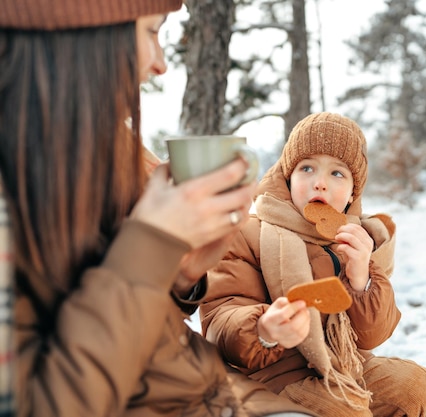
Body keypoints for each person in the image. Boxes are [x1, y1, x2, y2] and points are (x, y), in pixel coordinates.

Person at [0, 1, 314, 416]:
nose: (161, 64)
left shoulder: (108, 150)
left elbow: (142, 331)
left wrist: (182, 274)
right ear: (77, 35)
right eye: (151, 32)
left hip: (221, 394)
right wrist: (150, 247)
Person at [200, 112, 426, 417]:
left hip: (345, 369)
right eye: (307, 168)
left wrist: (361, 276)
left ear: (353, 193)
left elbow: (372, 337)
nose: (320, 183)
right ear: (288, 177)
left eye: (337, 173)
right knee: (343, 410)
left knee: (412, 385)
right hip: (269, 382)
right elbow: (219, 319)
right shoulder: (247, 234)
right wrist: (263, 329)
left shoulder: (359, 242)